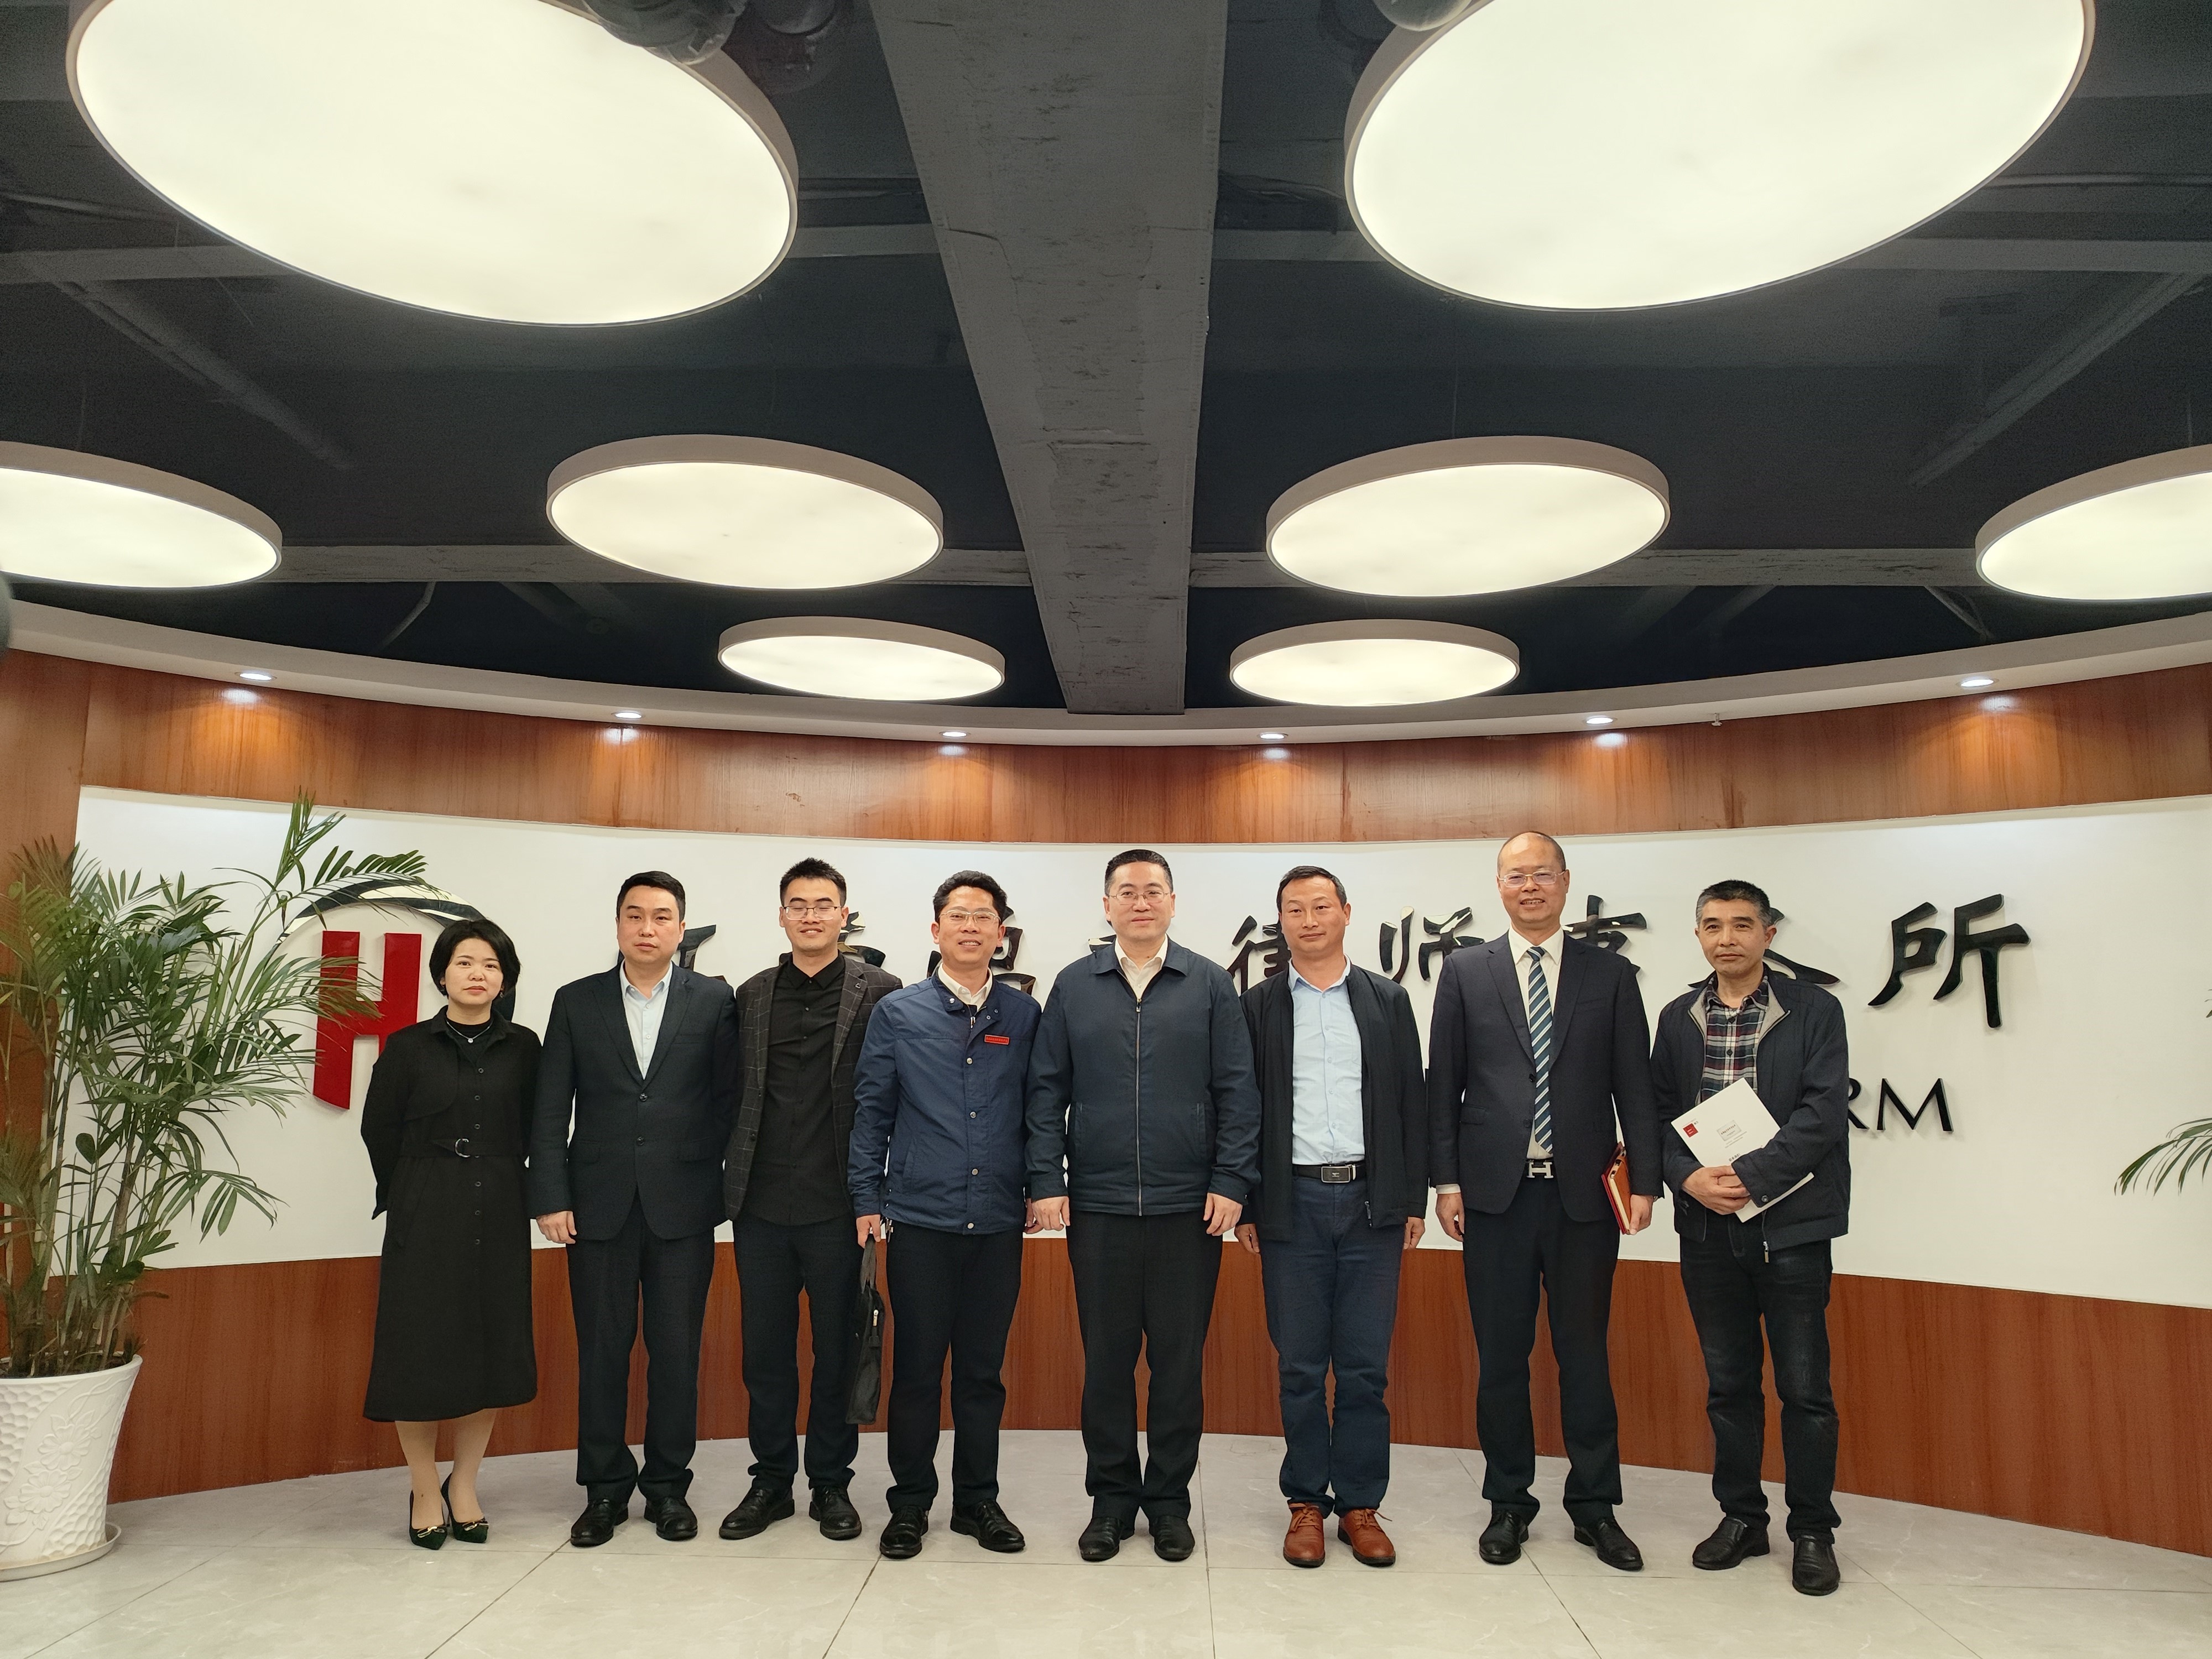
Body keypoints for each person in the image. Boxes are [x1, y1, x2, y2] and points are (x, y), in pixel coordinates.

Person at [1429, 831, 1661, 1572]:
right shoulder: (1466, 970)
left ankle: (1595, 1508)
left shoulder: (1609, 974)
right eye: (1515, 875)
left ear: (1564, 882)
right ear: (1498, 886)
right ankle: (1508, 1503)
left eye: (1541, 874)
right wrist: (1446, 1183)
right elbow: (1444, 1084)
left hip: (1583, 1200)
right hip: (1494, 1198)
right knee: (1502, 1359)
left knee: (1584, 1355)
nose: (1529, 886)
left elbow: (1634, 1084)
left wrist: (1646, 1182)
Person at [1027, 848, 1261, 1563]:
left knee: (1178, 1367)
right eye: (1126, 891)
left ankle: (1168, 1505)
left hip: (1188, 1208)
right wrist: (1046, 1180)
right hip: (1097, 1207)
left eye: (1152, 890)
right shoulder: (1075, 985)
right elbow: (1046, 1091)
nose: (1140, 902)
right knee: (1106, 1365)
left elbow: (1238, 1091)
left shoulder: (1209, 984)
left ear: (1172, 902)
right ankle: (1110, 1503)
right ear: (1107, 906)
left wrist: (1232, 1180)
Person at [1650, 879, 1851, 1596]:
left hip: (1792, 1227)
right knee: (1729, 1386)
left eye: (1741, 925)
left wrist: (1750, 1176)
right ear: (1698, 936)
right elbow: (1659, 1115)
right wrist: (1688, 1179)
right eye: (1712, 926)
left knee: (1805, 1389)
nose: (1726, 938)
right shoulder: (1678, 1018)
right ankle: (1741, 1517)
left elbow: (1823, 1113)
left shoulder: (1813, 1010)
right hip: (1708, 1229)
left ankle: (1813, 1531)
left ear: (1768, 934)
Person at [529, 871, 739, 1548]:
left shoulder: (715, 1000)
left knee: (676, 1355)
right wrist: (551, 1195)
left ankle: (668, 1489)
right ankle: (604, 1490)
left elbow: (730, 1101)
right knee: (602, 1354)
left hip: (684, 1206)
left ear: (681, 928)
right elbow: (550, 1105)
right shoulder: (576, 1000)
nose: (647, 928)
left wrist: (714, 1176)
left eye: (661, 916)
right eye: (635, 915)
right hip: (596, 1207)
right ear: (618, 924)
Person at [1234, 866, 1427, 1569]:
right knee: (1299, 1365)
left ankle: (1360, 1505)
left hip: (1374, 1202)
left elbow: (1411, 1100)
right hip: (1292, 1203)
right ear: (1280, 923)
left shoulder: (1386, 999)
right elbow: (1241, 1109)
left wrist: (1411, 1198)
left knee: (1365, 1367)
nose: (1309, 919)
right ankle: (1306, 1503)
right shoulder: (1257, 1006)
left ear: (1347, 912)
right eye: (1295, 909)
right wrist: (1249, 1201)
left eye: (1321, 906)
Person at [849, 870, 1042, 1560]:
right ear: (936, 931)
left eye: (982, 917)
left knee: (982, 1374)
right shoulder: (898, 1013)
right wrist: (865, 1197)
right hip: (920, 1221)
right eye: (957, 916)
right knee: (918, 1371)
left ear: (1001, 934)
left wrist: (1041, 1185)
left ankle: (976, 1502)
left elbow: (1040, 1110)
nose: (969, 927)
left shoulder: (1023, 1016)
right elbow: (872, 1110)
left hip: (997, 1222)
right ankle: (909, 1504)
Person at [719, 858, 900, 1545]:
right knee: (765, 1353)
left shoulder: (881, 992)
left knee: (837, 1351)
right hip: (760, 1202)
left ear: (844, 916)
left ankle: (830, 1482)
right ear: (782, 916)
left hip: (841, 1207)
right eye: (798, 905)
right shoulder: (752, 994)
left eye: (824, 905)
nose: (811, 915)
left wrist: (878, 1190)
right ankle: (770, 1481)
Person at [361, 918, 539, 1549]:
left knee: (487, 1351)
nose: (477, 974)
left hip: (500, 1208)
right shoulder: (408, 1047)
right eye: (464, 962)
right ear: (442, 975)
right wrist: (412, 1191)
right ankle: (422, 1486)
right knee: (419, 1352)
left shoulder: (526, 1048)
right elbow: (379, 1130)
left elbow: (537, 1128)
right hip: (426, 1210)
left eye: (491, 965)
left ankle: (463, 1483)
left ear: (505, 980)